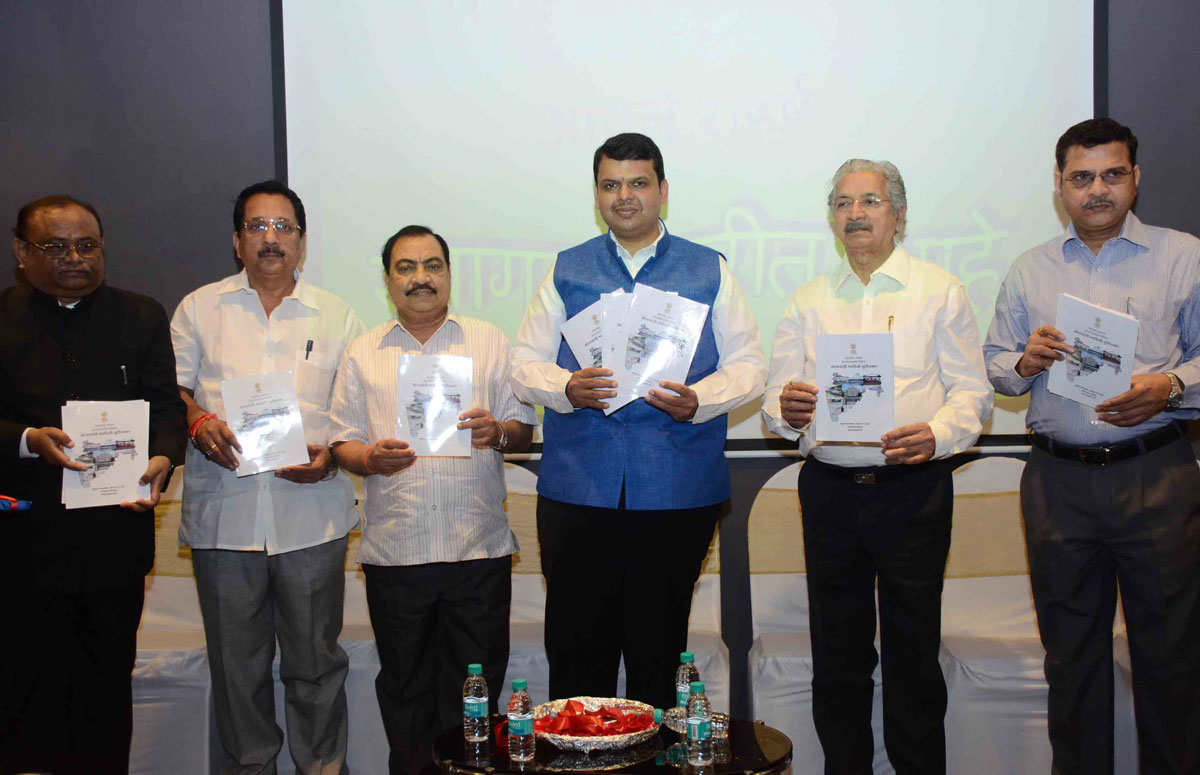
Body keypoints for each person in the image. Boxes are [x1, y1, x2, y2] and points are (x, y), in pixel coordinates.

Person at [511, 132, 766, 709]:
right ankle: (582, 754)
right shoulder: (567, 268)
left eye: (638, 183)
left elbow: (750, 365)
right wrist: (566, 387)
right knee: (578, 656)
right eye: (611, 185)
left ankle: (658, 754)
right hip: (578, 489)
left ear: (663, 190)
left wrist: (700, 399)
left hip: (677, 488)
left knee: (659, 653)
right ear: (596, 194)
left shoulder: (709, 268)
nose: (624, 196)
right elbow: (523, 363)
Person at [984, 118, 1200, 775]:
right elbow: (995, 364)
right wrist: (1024, 362)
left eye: (1111, 175)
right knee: (1071, 659)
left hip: (1156, 474)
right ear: (1060, 185)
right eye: (1081, 177)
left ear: (1135, 178)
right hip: (1059, 484)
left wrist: (1170, 385)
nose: (1097, 190)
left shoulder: (1184, 256)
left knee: (1171, 657)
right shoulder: (1030, 268)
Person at [762, 159, 992, 775]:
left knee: (913, 653)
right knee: (837, 656)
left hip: (912, 489)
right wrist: (786, 411)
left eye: (869, 201)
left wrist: (937, 435)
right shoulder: (808, 300)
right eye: (842, 203)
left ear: (899, 214)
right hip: (830, 493)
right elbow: (776, 403)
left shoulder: (940, 290)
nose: (855, 214)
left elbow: (973, 393)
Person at [171, 180, 364, 774]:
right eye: (257, 226)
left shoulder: (338, 315)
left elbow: (355, 413)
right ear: (237, 241)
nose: (271, 238)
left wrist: (330, 458)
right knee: (238, 671)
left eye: (284, 227)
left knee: (316, 666)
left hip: (311, 518)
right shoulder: (199, 308)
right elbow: (171, 390)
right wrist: (197, 419)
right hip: (224, 519)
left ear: (302, 242)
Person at [329, 225, 535, 775]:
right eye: (406, 267)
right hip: (397, 553)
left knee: (476, 696)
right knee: (405, 692)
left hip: (477, 551)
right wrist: (369, 458)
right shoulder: (362, 351)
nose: (420, 278)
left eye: (432, 265)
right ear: (388, 279)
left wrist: (498, 432)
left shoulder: (489, 340)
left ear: (448, 273)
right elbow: (341, 440)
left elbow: (523, 427)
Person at [0, 195, 187, 774]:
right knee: (20, 695)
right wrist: (27, 438)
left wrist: (163, 456)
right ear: (21, 252)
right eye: (55, 247)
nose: (74, 258)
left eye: (87, 245)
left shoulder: (142, 316)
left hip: (113, 547)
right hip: (21, 545)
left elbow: (166, 408)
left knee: (104, 695)